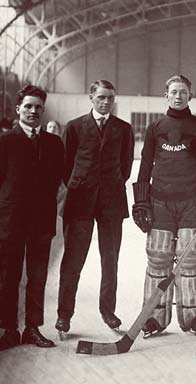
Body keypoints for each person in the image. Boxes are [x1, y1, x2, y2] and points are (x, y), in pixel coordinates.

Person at [132, 75, 196, 337]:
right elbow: (145, 165)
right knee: (158, 258)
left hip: (191, 202)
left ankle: (194, 317)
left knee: (191, 258)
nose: (178, 96)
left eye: (183, 92)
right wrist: (141, 201)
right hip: (160, 201)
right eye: (173, 92)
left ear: (190, 96)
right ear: (166, 95)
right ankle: (153, 318)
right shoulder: (155, 128)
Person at [55, 80, 134, 336]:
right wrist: (82, 185)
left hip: (111, 202)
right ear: (91, 97)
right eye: (101, 97)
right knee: (72, 261)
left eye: (110, 98)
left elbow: (126, 166)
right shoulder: (75, 127)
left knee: (110, 260)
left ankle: (108, 311)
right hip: (79, 201)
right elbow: (65, 166)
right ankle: (64, 315)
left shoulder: (123, 129)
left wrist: (108, 185)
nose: (106, 102)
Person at [0, 85, 64, 350]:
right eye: (28, 106)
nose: (33, 111)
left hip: (41, 222)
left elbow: (58, 181)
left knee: (37, 277)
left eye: (38, 107)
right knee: (8, 276)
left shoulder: (53, 143)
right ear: (18, 110)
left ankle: (32, 329)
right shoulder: (5, 142)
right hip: (11, 220)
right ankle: (9, 330)